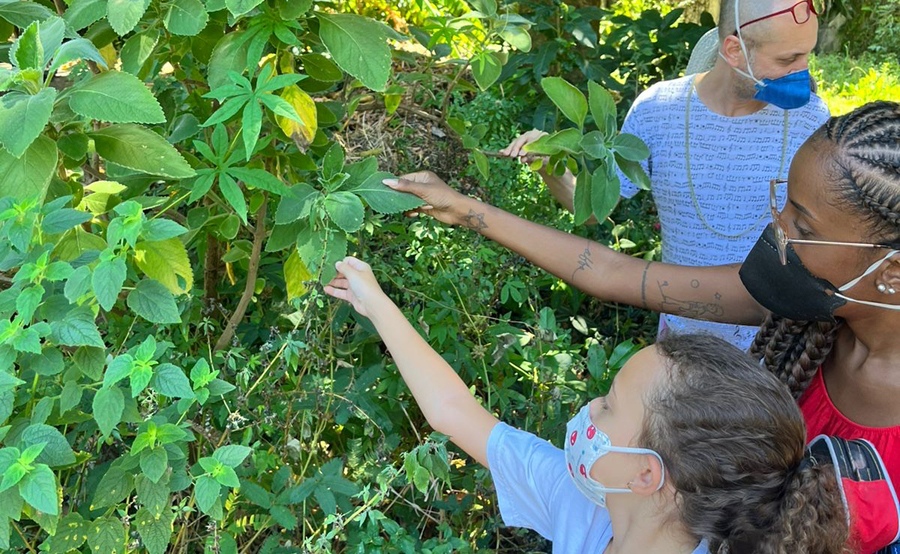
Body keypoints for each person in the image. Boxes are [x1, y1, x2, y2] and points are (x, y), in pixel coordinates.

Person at [385, 101, 900, 552]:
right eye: (783, 201)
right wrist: (464, 209)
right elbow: (615, 273)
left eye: (802, 227)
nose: (775, 226)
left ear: (891, 273)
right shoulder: (799, 311)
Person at [324, 256, 848, 553]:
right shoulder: (591, 514)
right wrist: (376, 304)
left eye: (607, 405)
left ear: (647, 474)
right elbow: (453, 412)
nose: (587, 411)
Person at [500, 0, 831, 350]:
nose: (803, 70)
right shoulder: (658, 112)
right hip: (683, 341)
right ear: (734, 50)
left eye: (807, 54)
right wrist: (548, 166)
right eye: (788, 60)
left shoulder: (811, 121)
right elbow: (594, 212)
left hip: (778, 345)